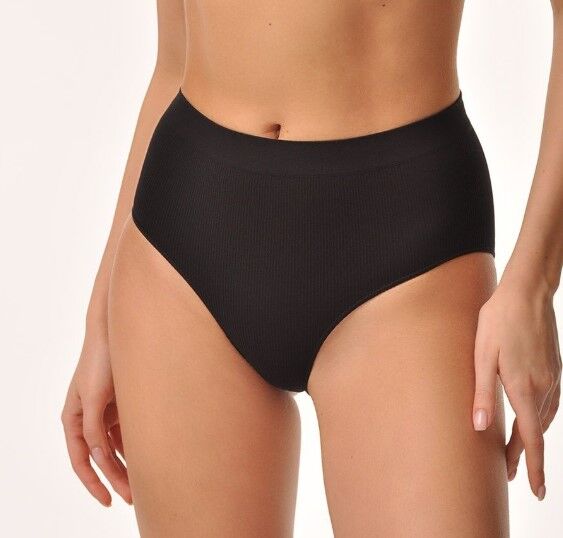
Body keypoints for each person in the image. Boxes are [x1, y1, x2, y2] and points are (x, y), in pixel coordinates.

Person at [61, 1, 562, 536]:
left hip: (403, 239)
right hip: (185, 233)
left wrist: (534, 285)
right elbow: (175, 54)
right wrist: (102, 317)